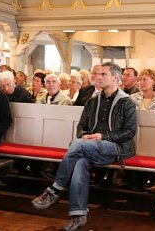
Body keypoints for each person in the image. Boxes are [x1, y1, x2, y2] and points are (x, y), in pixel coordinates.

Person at [31, 62, 137, 231]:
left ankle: (54, 190)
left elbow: (129, 132)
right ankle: (78, 215)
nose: (98, 77)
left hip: (116, 148)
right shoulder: (93, 101)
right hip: (90, 146)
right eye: (98, 74)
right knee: (80, 162)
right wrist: (84, 135)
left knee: (76, 145)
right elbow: (81, 125)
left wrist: (103, 136)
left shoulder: (126, 102)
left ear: (115, 78)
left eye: (103, 74)